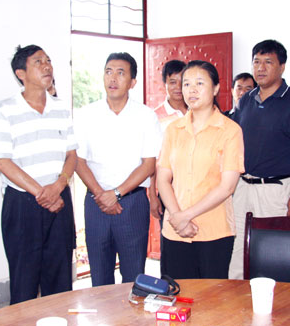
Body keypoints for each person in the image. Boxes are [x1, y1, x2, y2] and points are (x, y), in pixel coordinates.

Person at [0, 45, 77, 303]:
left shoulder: (61, 108)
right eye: (38, 62)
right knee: (24, 283)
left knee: (60, 281)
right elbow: (4, 162)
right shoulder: (6, 109)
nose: (47, 66)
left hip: (59, 200)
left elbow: (71, 155)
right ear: (21, 73)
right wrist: (43, 193)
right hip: (23, 204)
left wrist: (58, 186)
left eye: (48, 60)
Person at [75, 52, 161, 286]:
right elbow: (78, 161)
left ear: (132, 82)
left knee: (133, 277)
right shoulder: (86, 115)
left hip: (132, 204)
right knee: (99, 278)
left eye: (120, 73)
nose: (113, 78)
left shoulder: (146, 116)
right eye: (108, 72)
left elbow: (148, 164)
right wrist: (102, 195)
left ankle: (131, 313)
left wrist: (116, 194)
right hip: (96, 203)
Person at [229, 39, 290, 280]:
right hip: (242, 187)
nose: (261, 68)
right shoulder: (246, 100)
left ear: (282, 67)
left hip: (275, 190)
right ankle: (234, 297)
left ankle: (273, 300)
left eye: (268, 62)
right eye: (256, 62)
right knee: (236, 250)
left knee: (272, 253)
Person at [157, 60, 244, 278]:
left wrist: (185, 217)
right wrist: (177, 217)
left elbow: (227, 187)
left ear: (215, 89)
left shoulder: (230, 131)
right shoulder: (173, 130)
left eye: (199, 83)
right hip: (175, 231)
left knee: (212, 296)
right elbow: (163, 178)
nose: (191, 90)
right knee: (177, 293)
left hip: (214, 232)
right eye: (186, 84)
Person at [149, 60, 187, 221]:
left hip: (199, 186)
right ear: (164, 84)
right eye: (172, 82)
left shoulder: (198, 111)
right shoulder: (155, 117)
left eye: (182, 82)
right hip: (168, 187)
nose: (178, 87)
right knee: (171, 232)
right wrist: (152, 196)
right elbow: (151, 160)